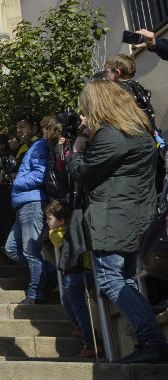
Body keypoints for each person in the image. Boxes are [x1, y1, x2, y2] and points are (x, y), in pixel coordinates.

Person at [66, 79, 168, 363]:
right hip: (137, 214)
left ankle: (152, 342)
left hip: (114, 216)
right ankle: (150, 343)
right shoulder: (141, 130)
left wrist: (75, 152)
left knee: (111, 280)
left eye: (87, 106)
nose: (84, 111)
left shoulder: (111, 134)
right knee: (125, 279)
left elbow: (85, 174)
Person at [45, 200, 102, 358]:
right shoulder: (77, 229)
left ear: (62, 220)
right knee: (67, 301)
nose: (47, 222)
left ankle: (91, 342)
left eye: (49, 219)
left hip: (76, 274)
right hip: (83, 272)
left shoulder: (55, 233)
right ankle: (79, 327)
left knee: (79, 308)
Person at [6, 116, 53, 304]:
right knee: (11, 248)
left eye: (22, 126)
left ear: (35, 128)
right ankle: (50, 273)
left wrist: (17, 180)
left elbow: (41, 173)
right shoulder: (32, 147)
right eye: (17, 127)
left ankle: (35, 293)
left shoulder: (40, 145)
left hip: (32, 203)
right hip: (24, 204)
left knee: (31, 251)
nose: (19, 130)